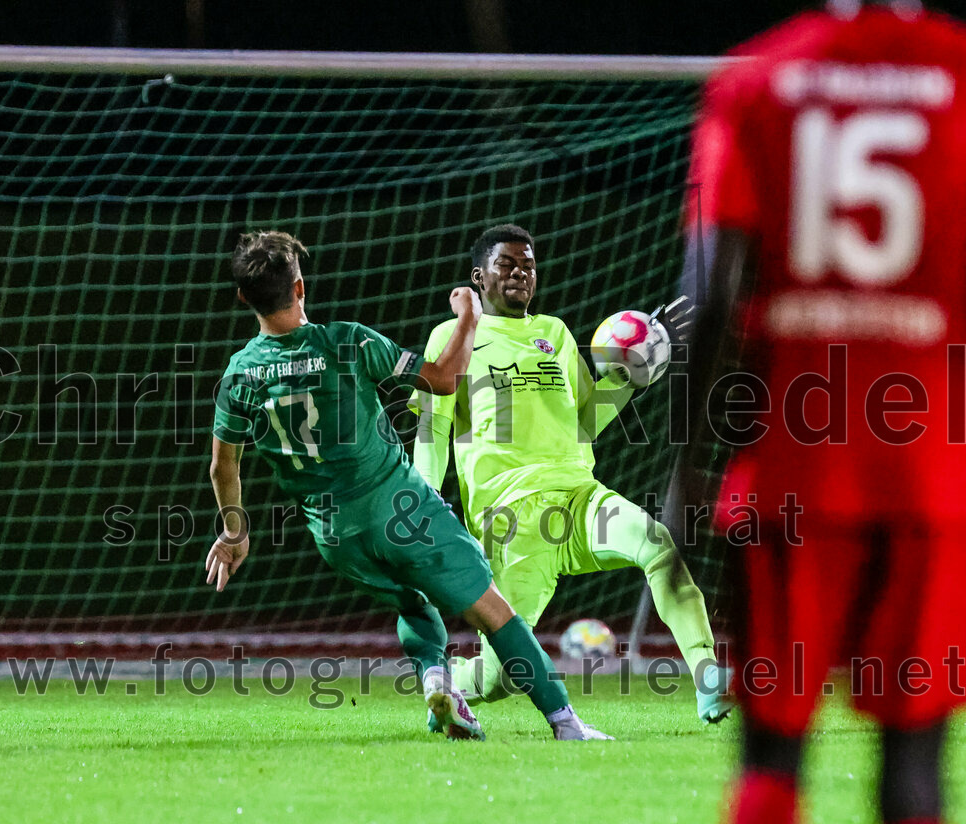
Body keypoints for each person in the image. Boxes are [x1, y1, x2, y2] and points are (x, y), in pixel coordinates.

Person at [672, 2, 966, 821]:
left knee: (771, 754)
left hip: (791, 470)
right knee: (914, 762)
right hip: (935, 477)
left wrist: (690, 459)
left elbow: (711, 279)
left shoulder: (759, 76)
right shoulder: (958, 72)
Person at [206, 230, 611, 741]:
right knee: (491, 608)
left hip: (333, 532)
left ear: (244, 297)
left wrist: (236, 532)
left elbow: (224, 466)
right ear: (301, 288)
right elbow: (442, 379)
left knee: (414, 603)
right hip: (398, 504)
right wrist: (469, 317)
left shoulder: (241, 373)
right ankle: (565, 722)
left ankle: (440, 688)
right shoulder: (346, 340)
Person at [410, 223, 734, 724]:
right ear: (479, 276)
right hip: (511, 521)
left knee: (658, 546)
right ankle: (452, 684)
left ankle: (708, 677)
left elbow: (585, 421)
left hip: (581, 497)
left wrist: (629, 375)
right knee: (505, 678)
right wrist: (425, 497)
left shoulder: (554, 333)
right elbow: (432, 428)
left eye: (529, 264)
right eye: (507, 264)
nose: (522, 272)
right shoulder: (450, 339)